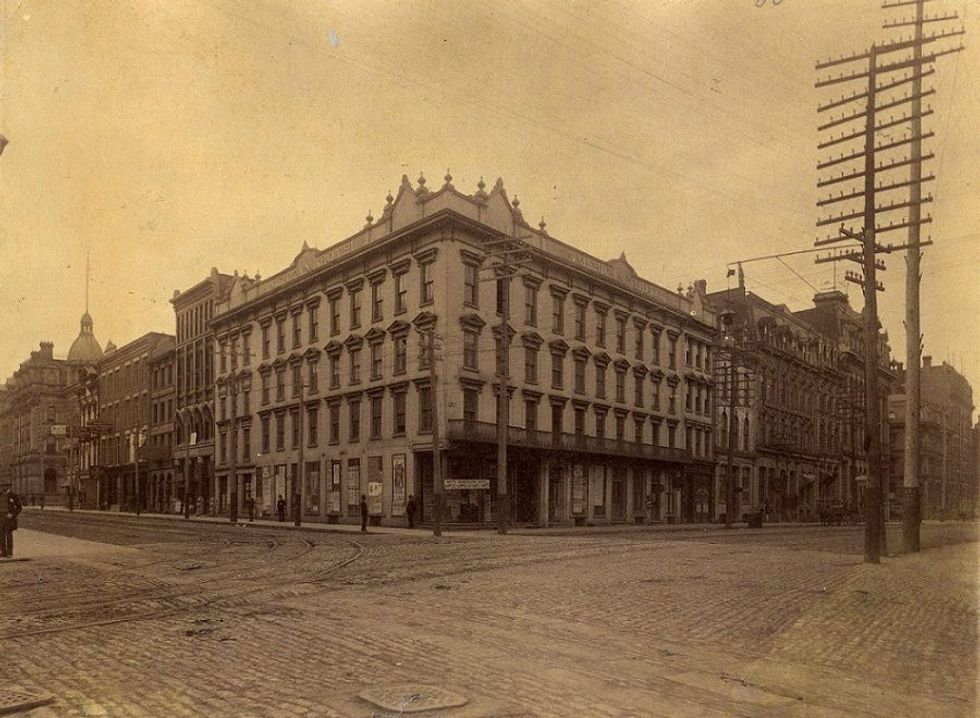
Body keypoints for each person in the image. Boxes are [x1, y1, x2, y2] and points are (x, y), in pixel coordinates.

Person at [1, 483, 23, 558]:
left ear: (9, 486)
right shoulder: (0, 494)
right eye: (3, 486)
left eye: (6, 486)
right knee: (1, 536)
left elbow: (19, 507)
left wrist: (12, 514)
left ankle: (9, 553)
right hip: (1, 517)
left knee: (8, 535)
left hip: (9, 518)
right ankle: (3, 552)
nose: (4, 487)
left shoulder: (13, 495)